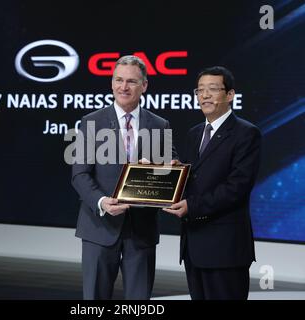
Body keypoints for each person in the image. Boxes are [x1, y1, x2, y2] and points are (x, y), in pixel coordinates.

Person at [71, 55, 177, 300]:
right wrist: (101, 202)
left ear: (144, 85)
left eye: (131, 81)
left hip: (141, 231)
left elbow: (171, 168)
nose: (123, 87)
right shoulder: (91, 122)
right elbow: (79, 174)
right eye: (118, 80)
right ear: (111, 83)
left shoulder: (160, 125)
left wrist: (167, 169)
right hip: (99, 227)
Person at [164, 66, 261, 300]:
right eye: (200, 90)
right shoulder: (194, 133)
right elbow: (195, 177)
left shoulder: (246, 133)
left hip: (225, 249)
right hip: (193, 245)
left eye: (213, 89)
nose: (204, 95)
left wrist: (192, 206)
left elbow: (237, 187)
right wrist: (177, 173)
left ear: (229, 95)